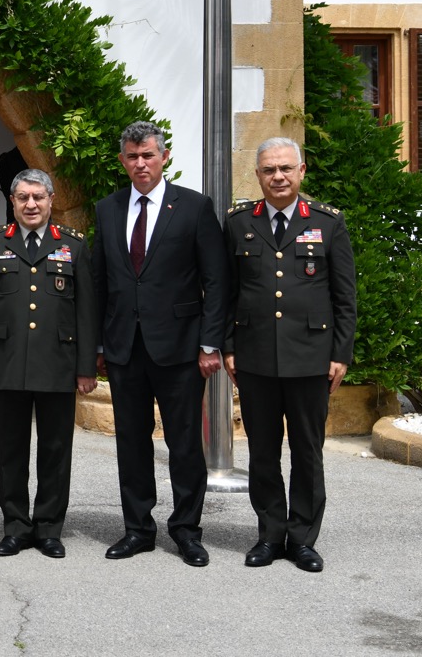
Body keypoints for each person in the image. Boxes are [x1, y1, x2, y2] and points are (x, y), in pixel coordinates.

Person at [89, 120, 229, 567]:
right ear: (122, 161)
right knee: (131, 443)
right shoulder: (107, 209)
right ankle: (137, 529)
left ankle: (186, 531)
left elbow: (216, 280)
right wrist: (97, 345)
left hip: (181, 348)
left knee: (184, 444)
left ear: (164, 157)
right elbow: (99, 282)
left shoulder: (194, 207)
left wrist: (211, 343)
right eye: (132, 157)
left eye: (148, 155)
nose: (141, 164)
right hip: (124, 347)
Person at [225, 137, 356, 573]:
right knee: (262, 452)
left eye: (285, 168)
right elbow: (226, 291)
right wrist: (228, 346)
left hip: (311, 357)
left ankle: (302, 540)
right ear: (258, 175)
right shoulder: (239, 222)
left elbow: (345, 297)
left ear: (301, 171)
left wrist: (340, 353)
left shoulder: (328, 222)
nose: (277, 177)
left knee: (307, 451)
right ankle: (269, 535)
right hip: (255, 357)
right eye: (269, 170)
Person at [0, 169, 99, 558]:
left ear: (51, 200)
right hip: (7, 363)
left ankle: (48, 528)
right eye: (23, 197)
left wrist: (86, 368)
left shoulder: (73, 245)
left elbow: (86, 311)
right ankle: (15, 527)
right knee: (11, 450)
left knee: (56, 450)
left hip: (58, 363)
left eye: (38, 197)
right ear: (12, 201)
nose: (31, 204)